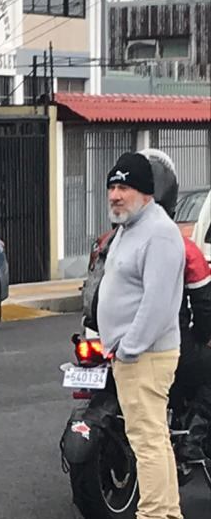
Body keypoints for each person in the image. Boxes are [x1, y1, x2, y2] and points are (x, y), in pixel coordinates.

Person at [82, 150, 211, 463]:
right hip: (151, 348)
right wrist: (203, 335)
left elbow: (98, 296)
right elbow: (204, 304)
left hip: (100, 338)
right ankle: (196, 433)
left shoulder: (109, 241)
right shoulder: (179, 244)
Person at [96, 153, 189, 519]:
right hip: (135, 353)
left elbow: (158, 303)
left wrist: (129, 348)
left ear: (146, 193)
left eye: (124, 188)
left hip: (146, 356)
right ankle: (167, 516)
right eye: (112, 188)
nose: (116, 196)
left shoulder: (159, 234)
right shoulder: (130, 228)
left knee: (146, 438)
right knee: (152, 435)